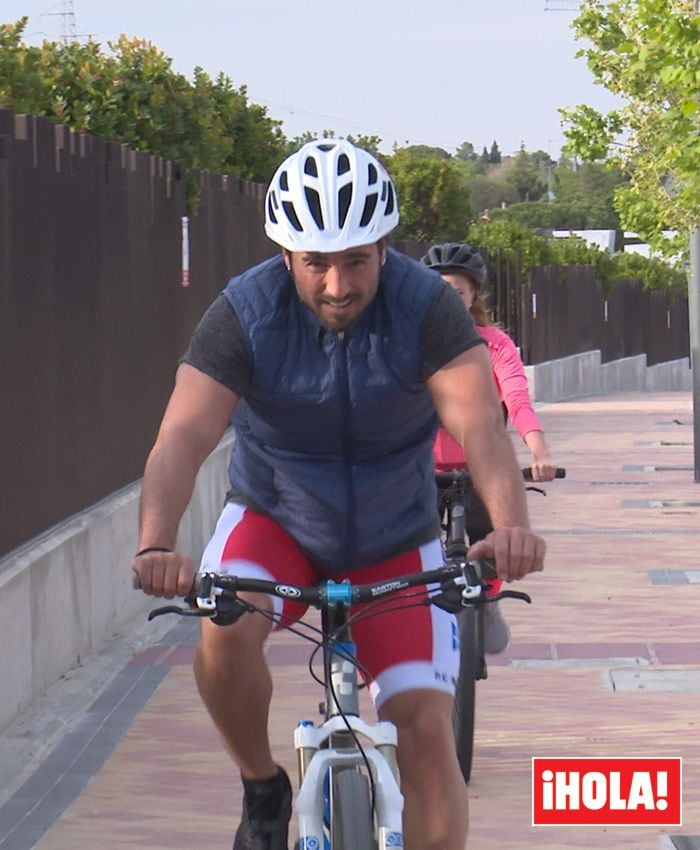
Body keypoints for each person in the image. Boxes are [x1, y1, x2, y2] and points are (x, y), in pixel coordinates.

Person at [131, 139, 546, 850]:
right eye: (315, 263)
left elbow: (479, 424)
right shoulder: (245, 312)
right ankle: (262, 785)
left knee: (424, 732)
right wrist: (156, 543)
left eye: (356, 260)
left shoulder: (425, 309)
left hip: (395, 536)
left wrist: (509, 526)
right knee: (222, 635)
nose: (336, 285)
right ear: (286, 256)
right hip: (276, 519)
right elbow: (182, 437)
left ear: (384, 248)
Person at [421, 242, 557, 655]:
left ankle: (488, 599)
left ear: (473, 297)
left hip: (480, 465)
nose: (449, 301)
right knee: (413, 546)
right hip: (421, 467)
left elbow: (516, 401)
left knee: (493, 534)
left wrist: (540, 453)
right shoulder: (412, 342)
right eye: (439, 292)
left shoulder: (494, 345)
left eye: (458, 293)